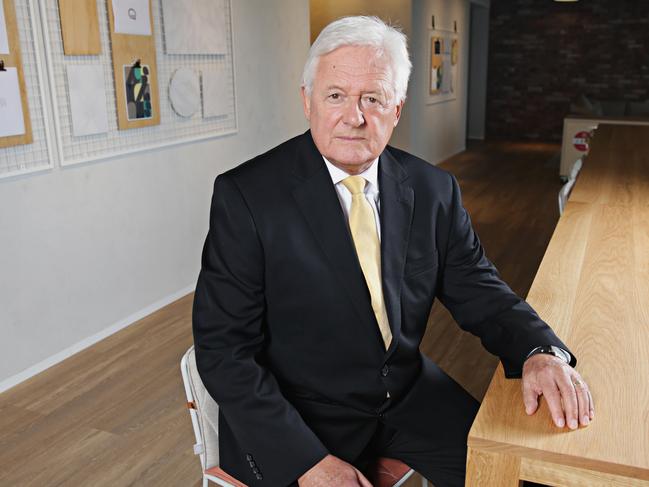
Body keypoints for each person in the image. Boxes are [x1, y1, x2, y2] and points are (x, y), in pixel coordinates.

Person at [192, 16, 594, 487]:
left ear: (397, 108)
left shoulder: (433, 188)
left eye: (372, 99)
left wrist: (539, 350)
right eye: (336, 95)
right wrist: (306, 464)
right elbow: (223, 352)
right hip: (298, 417)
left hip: (405, 394)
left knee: (516, 476)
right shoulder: (247, 197)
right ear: (307, 100)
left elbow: (478, 288)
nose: (354, 116)